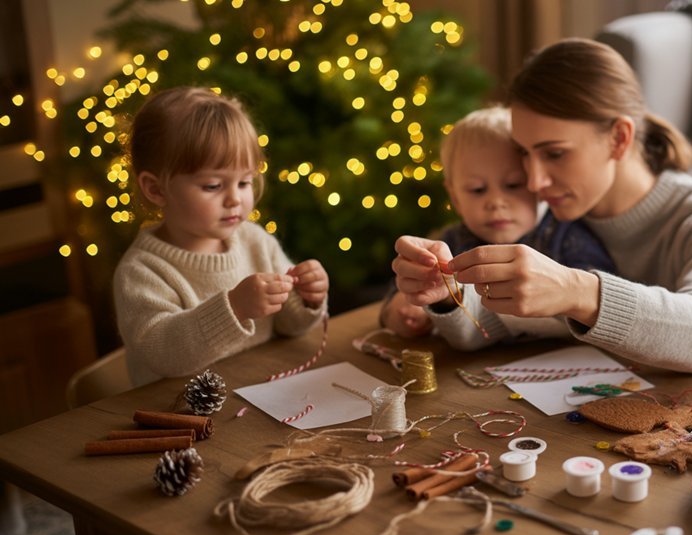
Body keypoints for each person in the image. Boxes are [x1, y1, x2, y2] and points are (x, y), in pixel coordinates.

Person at [392, 39, 692, 373]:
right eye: (525, 153)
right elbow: (492, 324)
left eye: (555, 153)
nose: (534, 182)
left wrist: (577, 291)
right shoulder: (542, 219)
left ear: (618, 138)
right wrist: (445, 297)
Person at [114, 87, 328, 387]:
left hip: (259, 396)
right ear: (156, 189)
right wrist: (235, 308)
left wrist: (305, 298)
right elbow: (163, 354)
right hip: (181, 416)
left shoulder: (255, 241)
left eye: (244, 182)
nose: (234, 199)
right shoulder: (143, 271)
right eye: (213, 186)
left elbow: (289, 327)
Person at [381, 105, 616, 346]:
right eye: (477, 190)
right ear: (455, 198)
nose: (495, 202)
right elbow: (395, 302)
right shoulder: (451, 244)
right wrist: (409, 307)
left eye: (513, 185)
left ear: (537, 185)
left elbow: (597, 302)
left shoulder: (565, 235)